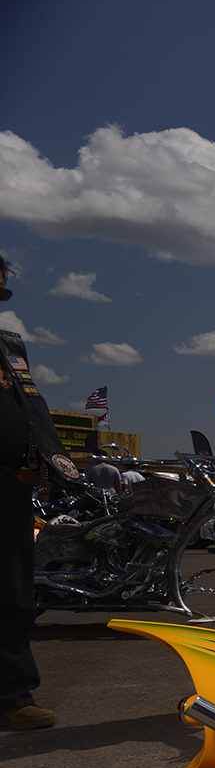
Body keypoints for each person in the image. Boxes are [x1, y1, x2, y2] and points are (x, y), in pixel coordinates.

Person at [1, 256, 82, 730]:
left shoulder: (10, 347)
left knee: (12, 595)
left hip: (9, 486)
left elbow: (30, 410)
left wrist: (38, 468)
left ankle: (11, 694)